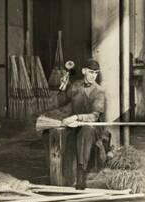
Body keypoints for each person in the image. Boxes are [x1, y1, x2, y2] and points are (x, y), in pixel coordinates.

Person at [43, 59, 106, 188]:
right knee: (50, 131)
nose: (93, 75)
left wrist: (76, 117)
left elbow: (94, 117)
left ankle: (81, 175)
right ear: (83, 71)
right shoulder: (76, 85)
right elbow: (61, 102)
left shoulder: (99, 92)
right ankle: (56, 174)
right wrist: (62, 88)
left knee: (86, 131)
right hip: (73, 124)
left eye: (96, 73)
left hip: (92, 128)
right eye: (90, 72)